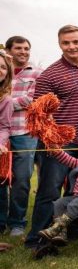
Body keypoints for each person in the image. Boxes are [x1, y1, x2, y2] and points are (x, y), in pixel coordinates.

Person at [25, 25, 78, 249]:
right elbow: (38, 112)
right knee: (50, 190)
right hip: (58, 144)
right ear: (59, 44)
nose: (71, 46)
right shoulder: (50, 74)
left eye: (75, 42)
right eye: (66, 43)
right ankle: (37, 238)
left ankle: (70, 230)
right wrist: (50, 135)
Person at [3, 36, 41, 237]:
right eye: (18, 48)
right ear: (9, 50)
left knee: (22, 180)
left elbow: (31, 100)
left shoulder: (36, 73)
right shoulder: (2, 70)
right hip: (1, 133)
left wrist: (5, 103)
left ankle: (17, 222)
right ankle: (1, 221)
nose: (23, 52)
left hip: (24, 132)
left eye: (27, 48)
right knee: (1, 179)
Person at [0, 54, 13, 232]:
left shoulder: (6, 99)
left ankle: (1, 224)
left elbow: (4, 127)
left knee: (0, 187)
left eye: (3, 67)